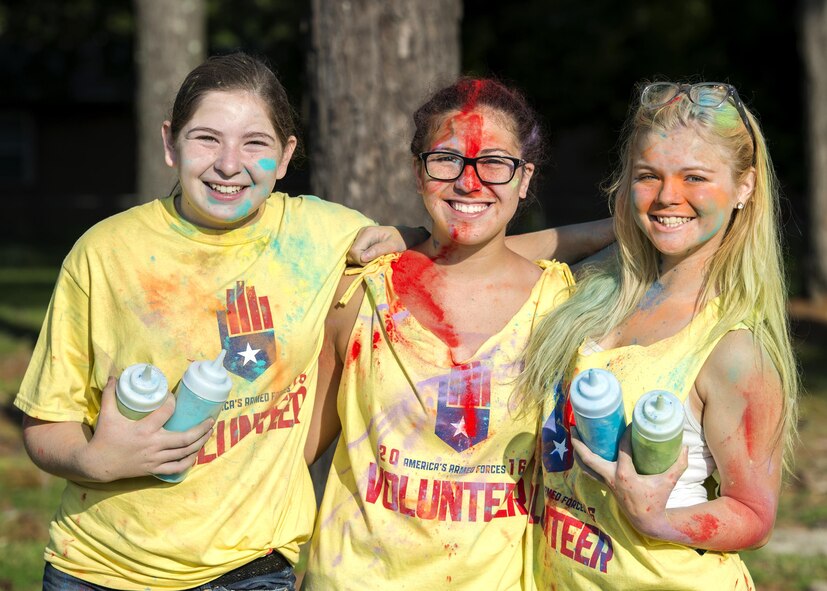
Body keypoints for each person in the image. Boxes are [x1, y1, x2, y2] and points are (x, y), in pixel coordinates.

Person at [15, 53, 610, 591]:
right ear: (170, 143)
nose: (229, 164)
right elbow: (45, 423)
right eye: (206, 139)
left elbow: (475, 251)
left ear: (287, 156)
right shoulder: (105, 251)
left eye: (254, 143)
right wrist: (96, 460)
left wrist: (629, 229)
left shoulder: (323, 234)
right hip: (101, 565)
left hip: (249, 569)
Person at [517, 81, 799, 590]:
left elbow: (754, 514)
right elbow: (489, 260)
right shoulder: (595, 292)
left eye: (695, 177)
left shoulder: (735, 350)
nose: (670, 195)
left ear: (744, 187)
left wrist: (656, 520)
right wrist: (415, 240)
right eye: (649, 176)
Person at [302, 77, 576, 590]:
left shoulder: (562, 310)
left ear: (525, 178)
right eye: (447, 160)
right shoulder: (359, 295)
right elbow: (291, 453)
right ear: (417, 171)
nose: (470, 183)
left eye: (494, 162)